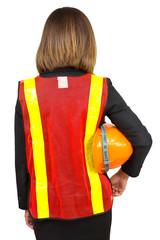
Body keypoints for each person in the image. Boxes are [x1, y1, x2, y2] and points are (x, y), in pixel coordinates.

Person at [14, 7, 152, 240]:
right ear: (88, 44)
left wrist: (25, 203)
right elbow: (142, 139)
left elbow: (22, 157)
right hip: (95, 207)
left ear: (46, 43)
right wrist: (124, 174)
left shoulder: (27, 92)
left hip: (45, 208)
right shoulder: (101, 88)